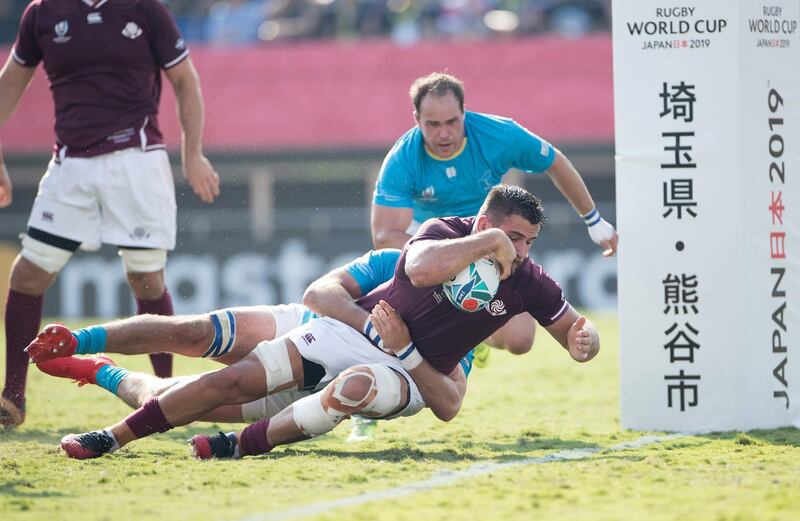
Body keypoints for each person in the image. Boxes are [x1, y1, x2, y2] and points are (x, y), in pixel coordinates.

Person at [50, 185, 600, 460]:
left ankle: (241, 443)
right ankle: (105, 403)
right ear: (481, 224)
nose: (521, 252)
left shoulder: (526, 281)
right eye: (515, 238)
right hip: (338, 325)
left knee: (351, 388)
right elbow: (327, 292)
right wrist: (373, 327)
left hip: (403, 366)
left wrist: (585, 338)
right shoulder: (423, 241)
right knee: (207, 370)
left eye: (529, 242)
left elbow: (570, 337)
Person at [357, 71, 617, 441]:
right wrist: (441, 265)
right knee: (383, 322)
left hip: (491, 251)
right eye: (432, 125)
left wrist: (593, 220)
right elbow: (385, 235)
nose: (443, 133)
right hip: (430, 253)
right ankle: (359, 405)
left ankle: (473, 335)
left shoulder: (498, 135)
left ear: (466, 114)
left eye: (451, 122)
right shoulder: (403, 158)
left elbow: (554, 161)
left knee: (521, 341)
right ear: (416, 121)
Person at [0, 0, 220, 427]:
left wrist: (192, 155)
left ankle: (165, 397)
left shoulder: (143, 9)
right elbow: (11, 82)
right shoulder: (42, 13)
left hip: (136, 162)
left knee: (146, 279)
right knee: (27, 275)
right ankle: (11, 399)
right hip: (70, 167)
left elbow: (185, 81)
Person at [32, 249, 475, 425]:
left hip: (322, 388)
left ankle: (101, 373)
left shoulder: (469, 314)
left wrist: (402, 349)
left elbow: (446, 392)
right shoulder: (398, 261)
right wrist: (372, 330)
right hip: (312, 328)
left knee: (166, 397)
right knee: (194, 331)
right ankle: (78, 340)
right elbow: (318, 293)